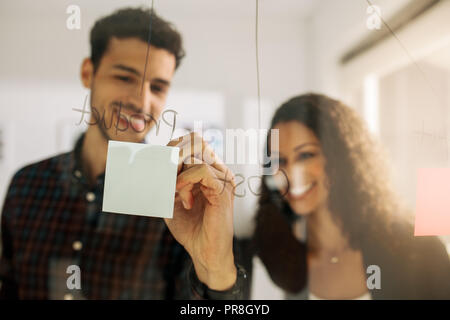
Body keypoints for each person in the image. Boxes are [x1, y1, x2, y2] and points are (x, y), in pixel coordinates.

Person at [0, 7, 249, 300]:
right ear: (88, 73)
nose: (141, 101)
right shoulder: (27, 183)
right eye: (125, 77)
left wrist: (215, 266)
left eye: (157, 87)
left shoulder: (181, 200)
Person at [252, 93, 450, 299]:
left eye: (306, 155)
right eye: (280, 161)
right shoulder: (274, 256)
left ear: (342, 157)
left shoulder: (420, 250)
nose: (291, 174)